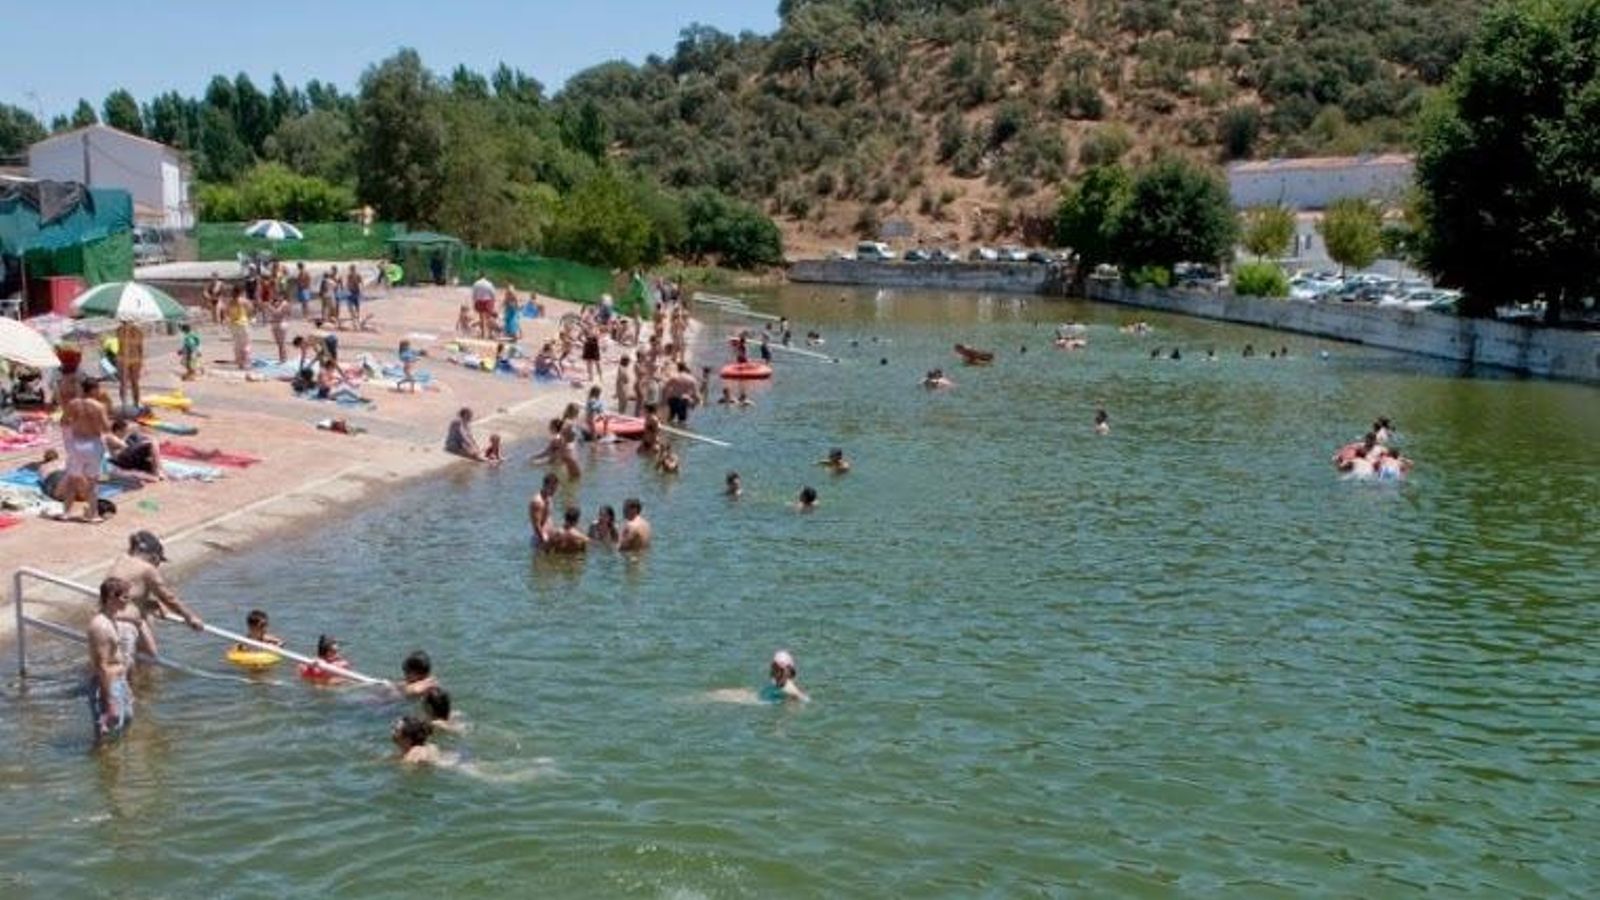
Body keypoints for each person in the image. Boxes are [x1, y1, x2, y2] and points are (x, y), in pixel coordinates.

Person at [107, 530, 204, 658]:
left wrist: (151, 604)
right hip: (124, 624)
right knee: (147, 660)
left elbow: (124, 594)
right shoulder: (147, 569)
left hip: (104, 619)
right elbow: (168, 597)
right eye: (159, 562)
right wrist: (190, 617)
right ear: (154, 557)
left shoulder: (121, 559)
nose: (158, 566)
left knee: (107, 666)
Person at [87, 576, 137, 741]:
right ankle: (103, 762)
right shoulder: (101, 626)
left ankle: (117, 763)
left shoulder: (111, 618)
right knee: (107, 736)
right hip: (108, 686)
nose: (128, 602)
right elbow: (102, 667)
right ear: (110, 597)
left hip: (118, 682)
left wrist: (126, 688)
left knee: (125, 724)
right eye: (125, 597)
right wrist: (109, 704)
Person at [57, 377, 113, 523]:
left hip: (76, 444)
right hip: (93, 444)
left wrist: (74, 428)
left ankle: (66, 513)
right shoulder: (99, 406)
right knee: (92, 482)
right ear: (94, 389)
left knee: (72, 480)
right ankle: (92, 515)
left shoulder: (73, 404)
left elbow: (63, 422)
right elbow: (107, 428)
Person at [115, 319, 145, 411]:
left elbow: (140, 347)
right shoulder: (119, 330)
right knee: (126, 382)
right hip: (125, 358)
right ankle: (125, 403)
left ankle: (134, 403)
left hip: (131, 359)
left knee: (133, 382)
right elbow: (140, 348)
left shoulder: (137, 331)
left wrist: (141, 360)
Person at [528, 473, 559, 550]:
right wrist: (543, 539)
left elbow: (548, 518)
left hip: (548, 537)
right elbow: (536, 525)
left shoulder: (548, 498)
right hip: (541, 539)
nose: (553, 491)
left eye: (555, 489)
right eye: (551, 488)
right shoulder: (537, 502)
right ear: (545, 485)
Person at [225, 286, 253, 369]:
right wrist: (249, 317)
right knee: (246, 344)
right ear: (241, 292)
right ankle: (246, 362)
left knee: (237, 344)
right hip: (243, 324)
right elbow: (251, 310)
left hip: (233, 324)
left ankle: (240, 363)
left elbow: (227, 313)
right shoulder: (244, 301)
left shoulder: (230, 302)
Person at [470, 272, 496, 339]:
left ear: (479, 276)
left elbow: (474, 295)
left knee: (482, 318)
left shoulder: (476, 283)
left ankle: (483, 334)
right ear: (485, 276)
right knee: (488, 318)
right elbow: (493, 294)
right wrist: (493, 302)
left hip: (479, 301)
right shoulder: (489, 283)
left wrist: (474, 303)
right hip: (487, 301)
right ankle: (489, 333)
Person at [344, 264, 364, 328]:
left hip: (352, 292)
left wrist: (347, 289)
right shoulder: (357, 275)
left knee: (351, 306)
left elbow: (347, 284)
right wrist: (361, 290)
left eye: (350, 269)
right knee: (356, 305)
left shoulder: (350, 275)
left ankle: (354, 318)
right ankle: (356, 317)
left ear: (351, 269)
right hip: (356, 292)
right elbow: (361, 283)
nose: (350, 270)